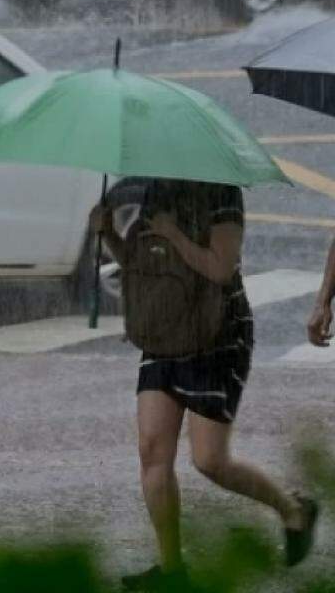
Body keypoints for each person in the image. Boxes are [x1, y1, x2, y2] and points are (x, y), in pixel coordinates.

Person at [90, 178, 319, 590]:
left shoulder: (222, 193)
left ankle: (294, 510)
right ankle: (172, 570)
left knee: (210, 460)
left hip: (217, 333)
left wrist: (173, 234)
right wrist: (106, 232)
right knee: (151, 452)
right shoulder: (155, 188)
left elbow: (220, 268)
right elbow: (143, 264)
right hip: (164, 331)